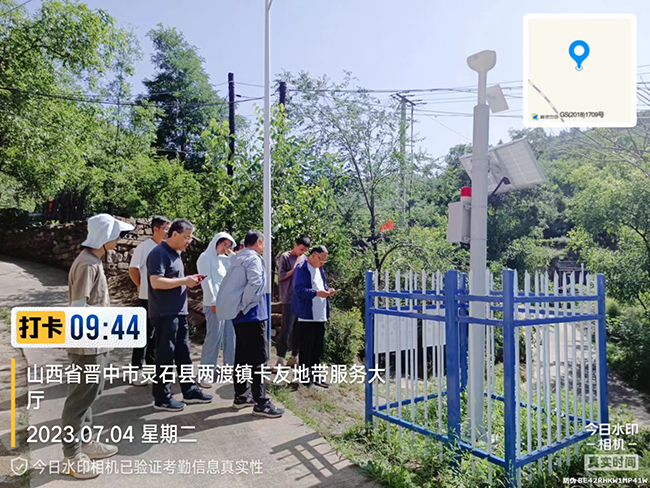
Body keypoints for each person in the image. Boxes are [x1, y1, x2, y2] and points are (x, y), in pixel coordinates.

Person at [63, 214, 134, 479]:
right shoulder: (87, 264)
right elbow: (78, 307)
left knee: (91, 393)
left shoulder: (93, 261)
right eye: (117, 234)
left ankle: (86, 442)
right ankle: (72, 455)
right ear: (105, 237)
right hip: (87, 346)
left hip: (96, 341)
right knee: (79, 399)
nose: (120, 239)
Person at [215, 229, 284, 418]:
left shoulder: (238, 258)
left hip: (240, 317)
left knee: (242, 358)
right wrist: (243, 305)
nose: (264, 248)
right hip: (252, 315)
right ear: (259, 242)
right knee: (259, 360)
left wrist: (238, 307)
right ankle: (261, 402)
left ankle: (241, 396)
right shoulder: (254, 259)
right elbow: (255, 284)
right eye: (264, 244)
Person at [147, 218, 213, 411]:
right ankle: (162, 397)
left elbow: (173, 280)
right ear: (174, 234)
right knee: (165, 355)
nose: (188, 241)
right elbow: (156, 282)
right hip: (164, 313)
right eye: (186, 237)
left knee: (183, 353)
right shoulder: (159, 253)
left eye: (190, 238)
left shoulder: (175, 254)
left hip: (178, 311)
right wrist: (185, 281)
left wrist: (188, 281)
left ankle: (189, 390)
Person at [128, 216, 171, 386]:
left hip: (163, 298)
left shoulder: (167, 248)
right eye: (166, 229)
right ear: (156, 229)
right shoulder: (144, 247)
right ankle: (136, 370)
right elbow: (133, 269)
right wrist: (140, 285)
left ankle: (151, 367)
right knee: (143, 335)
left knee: (156, 336)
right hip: (147, 297)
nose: (168, 232)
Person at [292, 245, 337, 389]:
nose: (322, 263)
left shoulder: (320, 269)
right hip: (307, 315)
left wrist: (328, 290)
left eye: (325, 261)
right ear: (313, 255)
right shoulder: (301, 269)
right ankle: (305, 379)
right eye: (321, 260)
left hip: (320, 314)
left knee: (318, 348)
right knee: (307, 348)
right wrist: (316, 293)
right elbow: (299, 290)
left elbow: (322, 286)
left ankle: (316, 376)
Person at [197, 231, 237, 388]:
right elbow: (206, 281)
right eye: (223, 244)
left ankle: (229, 369)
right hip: (213, 304)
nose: (225, 248)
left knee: (230, 337)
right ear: (216, 242)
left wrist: (230, 253)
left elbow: (236, 263)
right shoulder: (205, 258)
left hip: (227, 304)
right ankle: (206, 373)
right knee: (214, 338)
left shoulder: (224, 259)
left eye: (228, 245)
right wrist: (213, 302)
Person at [275, 236, 310, 368]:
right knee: (286, 329)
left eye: (305, 250)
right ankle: (280, 358)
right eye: (301, 249)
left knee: (298, 329)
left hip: (301, 298)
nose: (302, 252)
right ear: (295, 245)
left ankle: (294, 356)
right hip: (289, 298)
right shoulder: (285, 257)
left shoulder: (304, 258)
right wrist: (295, 270)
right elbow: (281, 276)